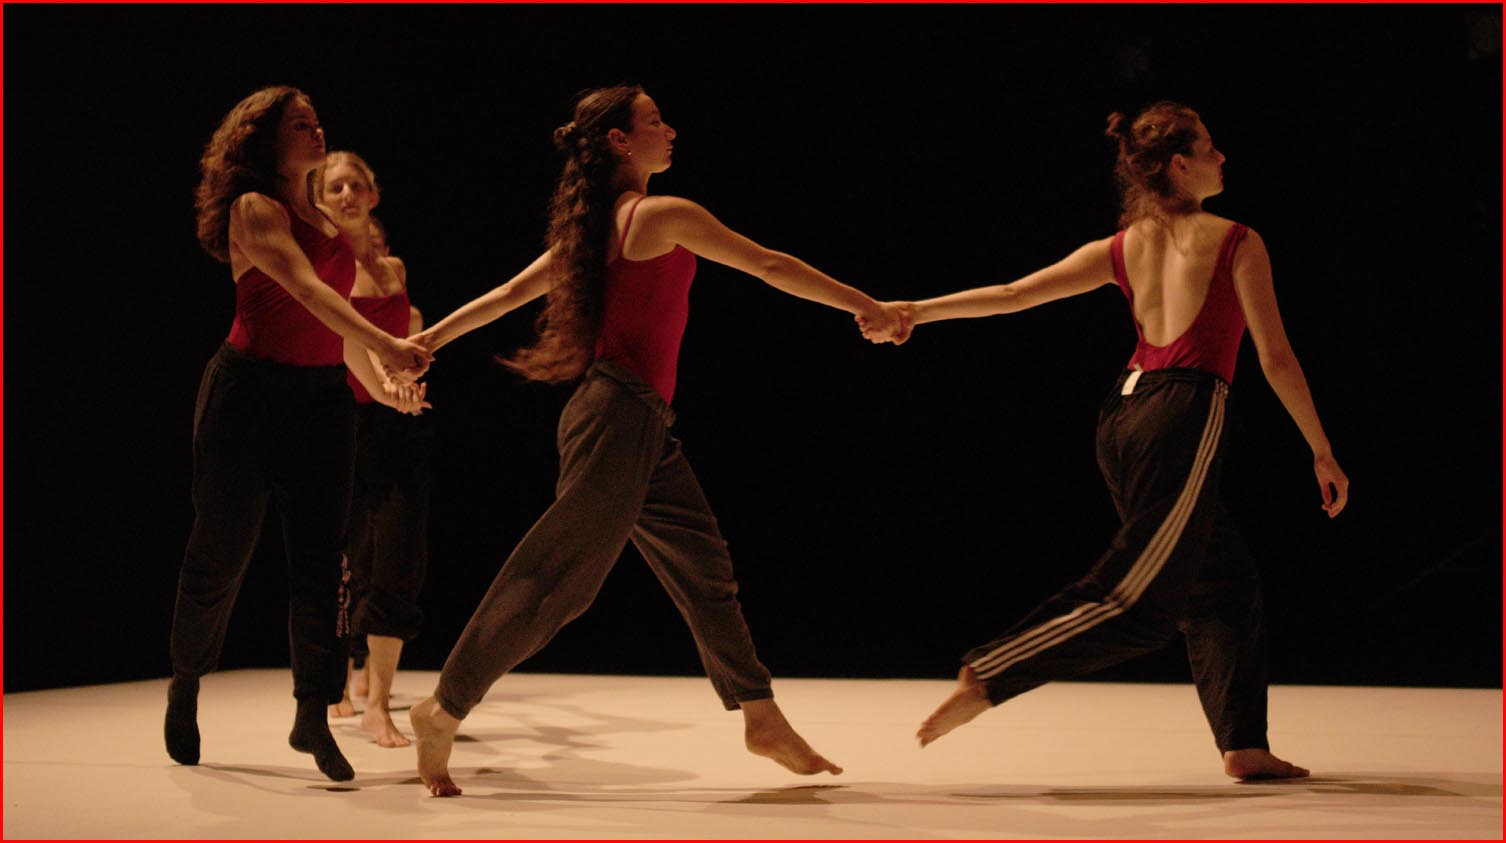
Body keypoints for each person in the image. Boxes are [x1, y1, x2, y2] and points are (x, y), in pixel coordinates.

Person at [404, 84, 900, 797]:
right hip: (616, 416)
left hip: (634, 419)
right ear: (618, 140)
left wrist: (428, 341)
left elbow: (507, 295)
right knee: (558, 577)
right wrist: (865, 304)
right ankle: (445, 705)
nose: (670, 130)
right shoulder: (660, 216)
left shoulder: (593, 230)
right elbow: (768, 263)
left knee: (704, 566)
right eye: (654, 121)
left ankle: (760, 715)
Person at [861, 102, 1349, 780]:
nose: (1221, 157)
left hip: (1123, 416)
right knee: (1142, 602)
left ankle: (1243, 744)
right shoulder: (1237, 239)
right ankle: (992, 672)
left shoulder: (1123, 245)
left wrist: (915, 310)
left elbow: (1013, 293)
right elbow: (1276, 357)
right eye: (1209, 148)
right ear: (1179, 164)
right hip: (1181, 410)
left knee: (1222, 579)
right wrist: (1321, 449)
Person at [166, 86, 432, 782]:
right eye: (300, 124)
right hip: (247, 396)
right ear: (264, 139)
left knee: (321, 562)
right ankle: (186, 681)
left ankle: (312, 711)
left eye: (317, 121)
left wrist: (384, 386)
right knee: (220, 554)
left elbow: (334, 326)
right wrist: (391, 343)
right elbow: (310, 294)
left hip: (320, 402)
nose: (317, 131)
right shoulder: (255, 209)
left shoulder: (323, 215)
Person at [315, 150, 434, 748]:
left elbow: (402, 335)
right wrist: (387, 385)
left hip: (398, 423)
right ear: (319, 200)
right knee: (350, 556)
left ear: (373, 194)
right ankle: (337, 677)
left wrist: (408, 377)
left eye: (355, 184)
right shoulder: (324, 270)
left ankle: (379, 702)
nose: (346, 195)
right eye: (334, 187)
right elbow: (347, 343)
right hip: (346, 422)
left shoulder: (393, 269)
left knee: (400, 555)